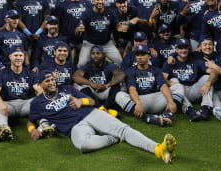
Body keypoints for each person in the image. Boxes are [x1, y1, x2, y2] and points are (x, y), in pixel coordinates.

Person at [27, 70, 178, 163]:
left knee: (124, 129)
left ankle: (159, 149)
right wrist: (32, 130)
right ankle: (114, 138)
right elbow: (30, 121)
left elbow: (92, 101)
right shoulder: (37, 103)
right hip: (75, 127)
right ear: (40, 84)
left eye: (53, 79)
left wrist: (81, 101)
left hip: (91, 113)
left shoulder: (66, 88)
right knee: (83, 146)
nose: (52, 82)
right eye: (47, 81)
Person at [116, 45, 184, 126]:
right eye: (137, 55)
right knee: (119, 95)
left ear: (149, 56)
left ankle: (167, 115)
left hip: (155, 99)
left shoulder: (156, 70)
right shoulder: (130, 71)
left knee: (179, 86)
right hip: (140, 102)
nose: (139, 57)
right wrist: (138, 103)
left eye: (143, 54)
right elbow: (132, 89)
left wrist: (170, 101)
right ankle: (148, 118)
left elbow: (163, 87)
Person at [0, 45, 41, 141]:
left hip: (24, 104)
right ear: (10, 57)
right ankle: (5, 129)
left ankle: (43, 124)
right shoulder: (2, 73)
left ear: (24, 57)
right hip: (8, 105)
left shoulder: (30, 73)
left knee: (42, 100)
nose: (18, 58)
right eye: (15, 55)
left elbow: (39, 89)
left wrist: (41, 94)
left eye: (20, 55)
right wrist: (1, 104)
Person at [163, 38, 218, 121]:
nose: (183, 50)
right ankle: (190, 111)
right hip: (179, 93)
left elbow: (214, 72)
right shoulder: (170, 61)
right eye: (181, 48)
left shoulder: (196, 59)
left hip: (193, 90)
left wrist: (207, 84)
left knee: (207, 78)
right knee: (174, 80)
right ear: (176, 49)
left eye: (186, 48)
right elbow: (162, 79)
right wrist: (171, 83)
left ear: (189, 48)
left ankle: (205, 109)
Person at [73, 45, 123, 117]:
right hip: (93, 93)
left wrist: (107, 85)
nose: (95, 56)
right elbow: (75, 76)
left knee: (117, 84)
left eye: (98, 53)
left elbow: (121, 75)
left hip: (105, 91)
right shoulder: (87, 65)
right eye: (93, 53)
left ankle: (105, 107)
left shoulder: (108, 64)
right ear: (90, 55)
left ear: (103, 55)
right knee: (78, 85)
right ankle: (103, 109)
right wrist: (92, 84)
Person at [77, 0, 123, 67]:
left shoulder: (110, 12)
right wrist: (79, 29)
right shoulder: (87, 13)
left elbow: (116, 27)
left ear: (105, 1)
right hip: (90, 44)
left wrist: (119, 28)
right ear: (93, 1)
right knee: (81, 64)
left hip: (106, 44)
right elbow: (77, 30)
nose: (100, 1)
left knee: (120, 62)